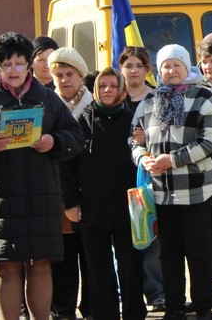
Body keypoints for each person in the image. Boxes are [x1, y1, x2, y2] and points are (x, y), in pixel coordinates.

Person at [0, 32, 85, 320]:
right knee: (7, 266)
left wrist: (54, 142)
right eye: (6, 65)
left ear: (30, 67)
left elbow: (75, 136)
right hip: (1, 201)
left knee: (41, 265)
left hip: (43, 196)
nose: (13, 71)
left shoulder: (48, 99)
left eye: (19, 64)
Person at [131, 44, 212, 320]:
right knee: (168, 254)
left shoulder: (203, 96)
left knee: (198, 250)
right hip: (161, 193)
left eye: (176, 65)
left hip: (195, 190)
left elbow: (210, 142)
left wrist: (174, 160)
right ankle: (174, 306)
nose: (171, 71)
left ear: (186, 67)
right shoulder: (150, 101)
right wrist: (142, 157)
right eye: (166, 66)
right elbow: (134, 139)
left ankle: (204, 306)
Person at [61, 67, 147, 320]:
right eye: (102, 86)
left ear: (121, 89)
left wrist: (144, 140)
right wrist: (71, 203)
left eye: (112, 85)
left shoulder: (134, 119)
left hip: (129, 209)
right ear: (95, 90)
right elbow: (67, 166)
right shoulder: (82, 120)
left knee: (131, 268)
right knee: (99, 269)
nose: (107, 90)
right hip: (91, 209)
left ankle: (134, 313)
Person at [119, 46, 165, 312]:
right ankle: (128, 293)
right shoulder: (113, 95)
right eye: (128, 65)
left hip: (149, 179)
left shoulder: (158, 97)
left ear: (147, 70)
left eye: (139, 65)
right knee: (124, 243)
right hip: (119, 180)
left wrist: (147, 140)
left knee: (150, 239)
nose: (133, 70)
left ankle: (157, 293)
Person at [49, 47, 94, 320]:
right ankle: (63, 311)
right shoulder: (46, 105)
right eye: (58, 75)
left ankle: (91, 307)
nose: (64, 80)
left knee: (91, 257)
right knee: (63, 259)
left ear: (81, 76)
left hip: (91, 194)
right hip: (58, 195)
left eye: (69, 74)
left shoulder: (94, 102)